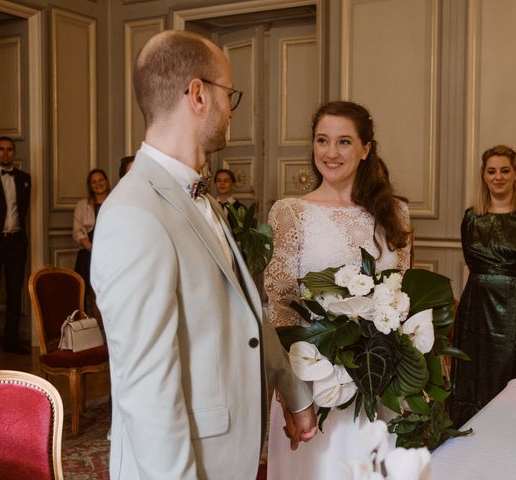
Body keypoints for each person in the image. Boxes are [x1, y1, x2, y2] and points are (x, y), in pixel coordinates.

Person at [90, 30, 316, 480]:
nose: (231, 109)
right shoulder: (133, 214)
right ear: (197, 94)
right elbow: (145, 388)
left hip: (228, 452)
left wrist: (295, 393)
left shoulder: (201, 198)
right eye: (228, 94)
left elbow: (245, 311)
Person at [264, 100, 412, 479]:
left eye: (344, 142)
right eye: (322, 140)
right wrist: (293, 393)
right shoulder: (290, 212)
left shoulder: (395, 213)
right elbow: (279, 306)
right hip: (316, 384)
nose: (331, 153)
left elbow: (401, 296)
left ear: (365, 149)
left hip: (383, 384)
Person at [450, 144, 516, 428]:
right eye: (491, 171)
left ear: (515, 174)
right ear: (484, 176)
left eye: (504, 170)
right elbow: (473, 263)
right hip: (478, 310)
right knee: (478, 374)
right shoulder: (471, 217)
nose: (498, 177)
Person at [0, 136, 31, 354]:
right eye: (1, 149)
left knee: (14, 293)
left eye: (9, 149)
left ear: (14, 153)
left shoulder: (24, 178)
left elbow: (23, 210)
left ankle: (12, 340)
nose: (6, 153)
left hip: (16, 241)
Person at [73, 168, 110, 317]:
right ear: (90, 185)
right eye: (94, 182)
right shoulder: (82, 205)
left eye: (101, 180)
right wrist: (92, 248)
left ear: (106, 182)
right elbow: (77, 231)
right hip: (89, 253)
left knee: (106, 292)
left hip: (110, 254)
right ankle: (90, 331)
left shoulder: (115, 200)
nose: (98, 184)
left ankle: (107, 333)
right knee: (89, 293)